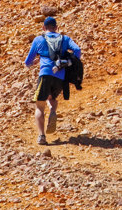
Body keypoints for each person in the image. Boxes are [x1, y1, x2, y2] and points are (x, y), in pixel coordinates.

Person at [24, 15, 81, 145]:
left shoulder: (39, 39)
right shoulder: (65, 39)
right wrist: (71, 61)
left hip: (45, 73)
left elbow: (27, 61)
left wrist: (32, 63)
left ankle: (41, 136)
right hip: (60, 76)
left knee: (39, 105)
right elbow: (77, 50)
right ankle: (53, 112)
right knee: (52, 98)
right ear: (56, 27)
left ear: (43, 27)